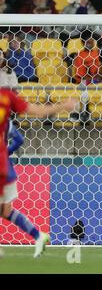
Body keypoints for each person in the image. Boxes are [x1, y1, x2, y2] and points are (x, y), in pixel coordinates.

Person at [0, 89, 78, 258]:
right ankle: (38, 235)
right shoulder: (6, 97)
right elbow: (36, 112)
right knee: (5, 211)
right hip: (4, 165)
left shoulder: (6, 97)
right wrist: (63, 105)